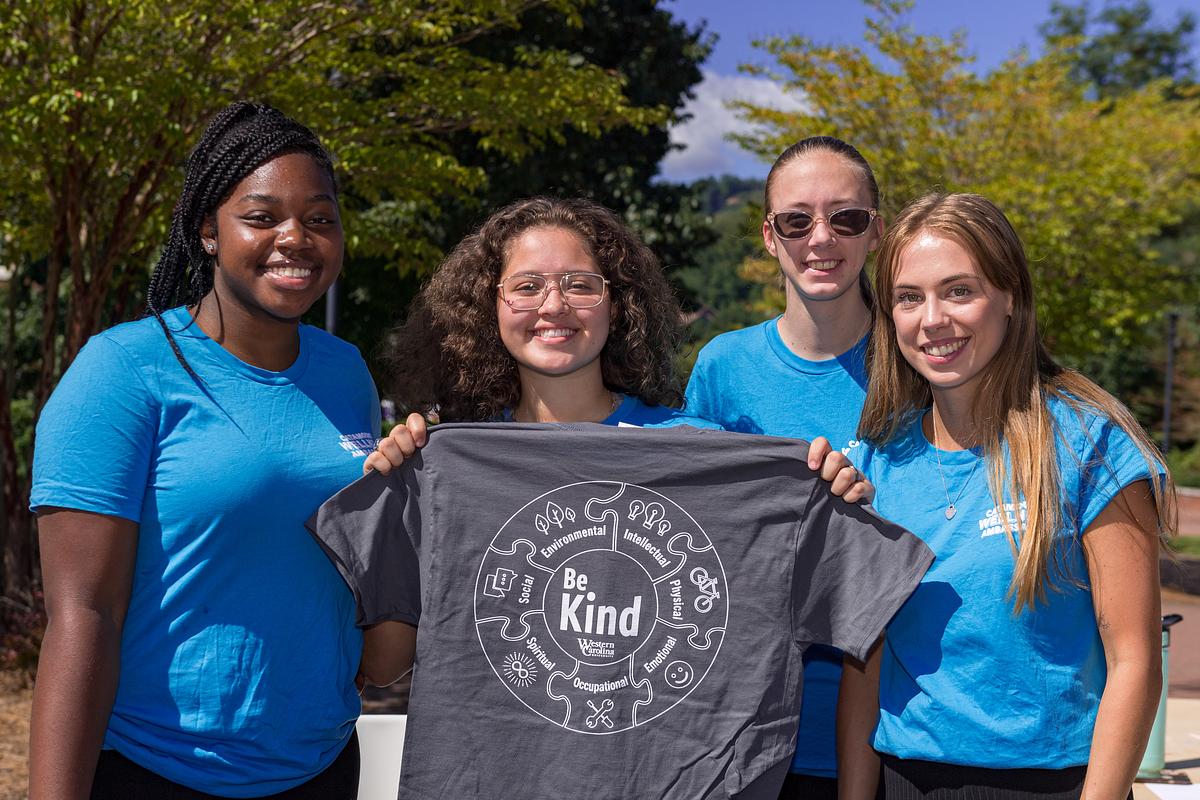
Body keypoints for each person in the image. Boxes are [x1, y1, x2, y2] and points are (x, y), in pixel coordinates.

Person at [360, 195, 873, 687]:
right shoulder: (449, 465)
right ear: (487, 305)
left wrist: (829, 505)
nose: (554, 305)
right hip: (497, 776)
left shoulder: (698, 454)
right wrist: (397, 499)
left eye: (581, 285)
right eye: (527, 285)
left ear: (619, 304)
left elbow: (796, 607)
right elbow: (384, 668)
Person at [29, 102, 378, 799]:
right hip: (159, 771)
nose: (296, 238)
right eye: (261, 216)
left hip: (322, 766)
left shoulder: (347, 373)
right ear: (207, 232)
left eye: (319, 217)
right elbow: (82, 616)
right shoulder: (123, 372)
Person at [839, 192, 1176, 800]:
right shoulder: (876, 464)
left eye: (959, 291)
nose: (932, 318)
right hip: (904, 780)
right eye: (909, 297)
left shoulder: (1088, 446)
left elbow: (1135, 661)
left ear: (1010, 297)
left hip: (1056, 785)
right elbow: (864, 667)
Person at [685, 135, 884, 798]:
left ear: (875, 232)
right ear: (770, 237)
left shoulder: (923, 363)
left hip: (894, 733)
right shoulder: (723, 368)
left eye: (846, 218)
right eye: (797, 220)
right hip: (748, 735)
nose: (821, 238)